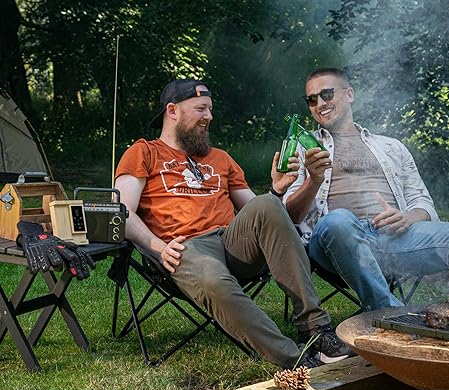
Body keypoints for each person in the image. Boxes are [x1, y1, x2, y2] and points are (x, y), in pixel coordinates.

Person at [114, 78, 351, 369]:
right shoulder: (143, 153)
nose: (209, 116)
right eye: (201, 108)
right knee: (213, 278)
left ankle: (316, 329)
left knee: (267, 203)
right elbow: (122, 212)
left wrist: (276, 190)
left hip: (231, 243)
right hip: (183, 249)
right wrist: (158, 247)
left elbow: (257, 210)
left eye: (210, 109)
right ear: (172, 110)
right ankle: (296, 359)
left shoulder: (221, 158)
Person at [283, 67, 449, 311]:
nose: (320, 104)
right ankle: (392, 314)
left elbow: (422, 201)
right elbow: (290, 215)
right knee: (338, 220)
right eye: (312, 99)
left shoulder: (391, 147)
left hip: (395, 239)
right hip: (335, 241)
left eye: (327, 94)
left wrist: (408, 217)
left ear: (349, 94)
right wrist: (313, 181)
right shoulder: (302, 147)